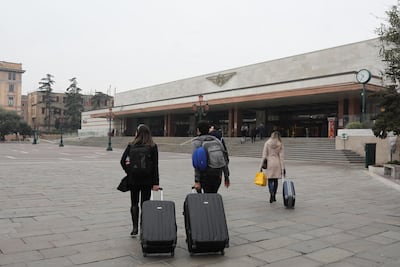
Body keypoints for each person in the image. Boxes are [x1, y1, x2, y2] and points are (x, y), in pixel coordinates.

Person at [120, 124, 160, 236]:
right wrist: (156, 183)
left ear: (137, 133)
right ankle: (144, 227)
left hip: (134, 180)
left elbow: (122, 161)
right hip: (147, 180)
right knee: (145, 204)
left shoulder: (131, 145)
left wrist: (130, 172)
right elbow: (156, 165)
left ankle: (134, 228)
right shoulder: (152, 146)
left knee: (134, 203)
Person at [193, 120, 230, 193]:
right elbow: (225, 159)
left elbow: (197, 163)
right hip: (217, 174)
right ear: (209, 130)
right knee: (214, 194)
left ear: (198, 130)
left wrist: (197, 180)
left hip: (205, 175)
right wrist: (226, 177)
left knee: (207, 197)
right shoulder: (217, 141)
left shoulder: (197, 142)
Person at [261, 131, 285, 203]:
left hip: (269, 163)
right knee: (275, 180)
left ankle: (271, 193)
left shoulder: (267, 143)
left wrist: (261, 165)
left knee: (270, 180)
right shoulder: (280, 144)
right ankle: (274, 195)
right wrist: (283, 168)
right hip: (277, 163)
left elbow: (264, 155)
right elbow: (282, 157)